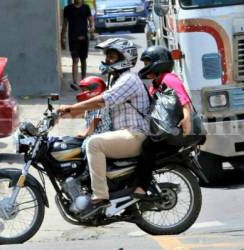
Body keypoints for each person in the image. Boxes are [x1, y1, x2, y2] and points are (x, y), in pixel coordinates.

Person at [57, 38, 151, 217]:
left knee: (94, 144)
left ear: (125, 57)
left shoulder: (128, 79)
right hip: (124, 134)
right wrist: (63, 115)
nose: (108, 60)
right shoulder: (116, 80)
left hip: (135, 135)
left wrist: (70, 108)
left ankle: (100, 198)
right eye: (107, 56)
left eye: (112, 56)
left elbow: (102, 101)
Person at [134, 45, 192, 198]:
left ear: (158, 63)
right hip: (164, 129)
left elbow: (184, 99)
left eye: (147, 63)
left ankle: (141, 187)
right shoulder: (156, 84)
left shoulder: (169, 78)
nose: (145, 67)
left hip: (173, 130)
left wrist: (187, 118)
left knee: (147, 147)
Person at [61, 0, 95, 91]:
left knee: (83, 60)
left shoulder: (86, 7)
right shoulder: (67, 9)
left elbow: (91, 20)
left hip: (84, 38)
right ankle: (75, 82)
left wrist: (92, 27)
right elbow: (65, 24)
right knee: (75, 60)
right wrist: (62, 38)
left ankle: (84, 81)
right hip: (73, 38)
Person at [75, 76, 112, 153]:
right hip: (94, 134)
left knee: (84, 148)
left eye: (85, 90)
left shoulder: (100, 104)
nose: (82, 93)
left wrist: (86, 133)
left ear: (95, 90)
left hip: (101, 135)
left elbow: (96, 120)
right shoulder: (91, 105)